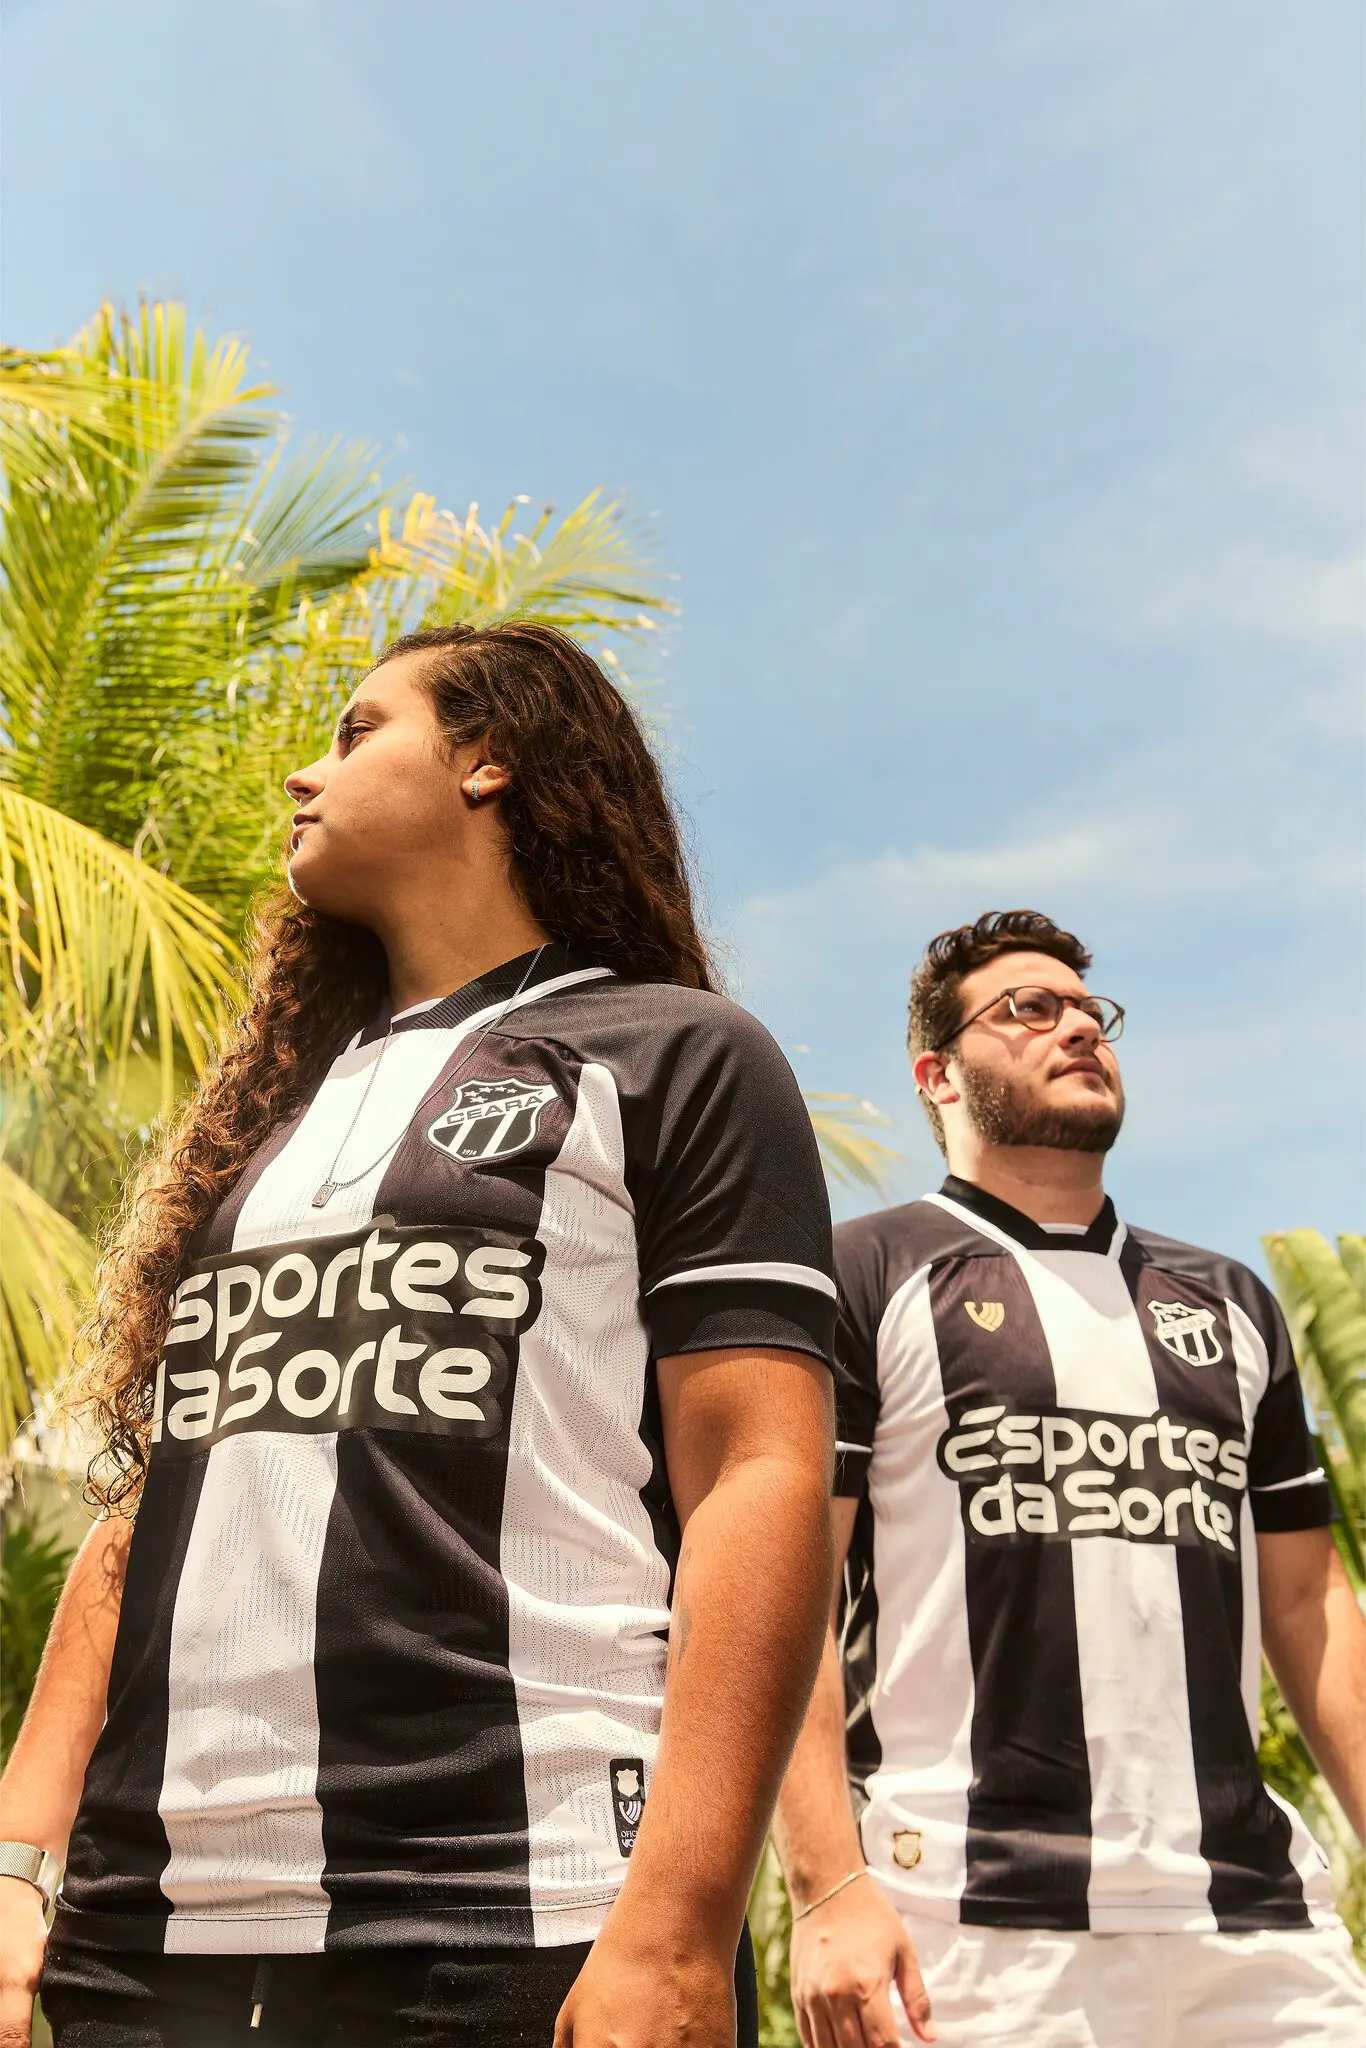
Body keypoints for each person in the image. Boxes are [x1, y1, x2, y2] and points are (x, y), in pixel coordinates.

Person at [0, 623, 839, 2048]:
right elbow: (163, 1497)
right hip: (145, 1939)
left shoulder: (675, 1051)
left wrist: (684, 1917)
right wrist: (19, 1860)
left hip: (518, 1918)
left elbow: (760, 1476)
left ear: (488, 759)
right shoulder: (269, 1118)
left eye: (354, 730)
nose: (298, 776)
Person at [774, 908, 1366, 2048]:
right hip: (970, 1930)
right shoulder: (864, 1271)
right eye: (1028, 1009)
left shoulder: (1229, 1300)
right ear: (934, 1073)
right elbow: (781, 1596)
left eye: (1091, 1010)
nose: (1078, 1028)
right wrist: (825, 1887)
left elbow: (1308, 1604)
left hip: (1257, 1931)